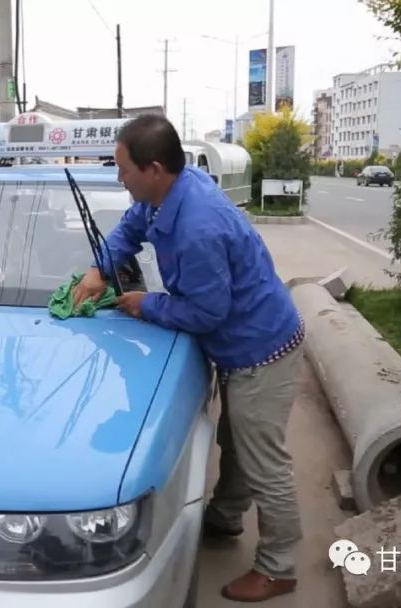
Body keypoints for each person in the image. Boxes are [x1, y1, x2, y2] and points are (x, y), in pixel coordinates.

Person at [71, 113, 306, 603]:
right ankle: (224, 518)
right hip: (244, 345)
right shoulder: (167, 193)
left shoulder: (199, 225)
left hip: (262, 349)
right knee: (236, 440)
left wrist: (143, 304)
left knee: (265, 462)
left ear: (154, 168)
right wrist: (99, 270)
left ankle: (279, 567)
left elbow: (206, 312)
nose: (119, 178)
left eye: (123, 169)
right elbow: (130, 228)